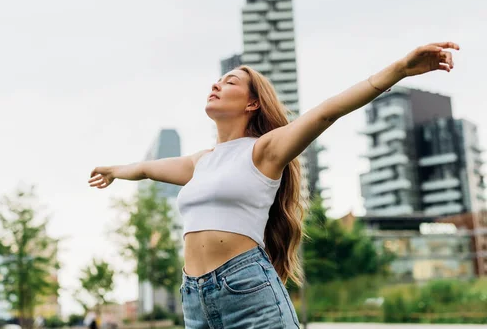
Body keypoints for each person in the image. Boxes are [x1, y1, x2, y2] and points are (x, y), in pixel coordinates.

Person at [89, 42, 458, 328]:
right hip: (193, 298)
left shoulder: (265, 150)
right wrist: (115, 170)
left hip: (246, 289)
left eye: (229, 82)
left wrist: (399, 70)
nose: (216, 84)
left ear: (252, 103)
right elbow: (148, 169)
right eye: (217, 80)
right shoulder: (201, 162)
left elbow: (328, 111)